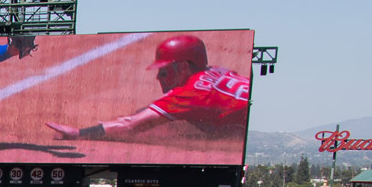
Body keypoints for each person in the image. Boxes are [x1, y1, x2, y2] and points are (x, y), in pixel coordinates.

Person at [44, 35, 250, 147]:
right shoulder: (217, 70)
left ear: (184, 67)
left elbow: (129, 126)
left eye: (165, 70)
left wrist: (79, 133)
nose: (159, 77)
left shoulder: (189, 94)